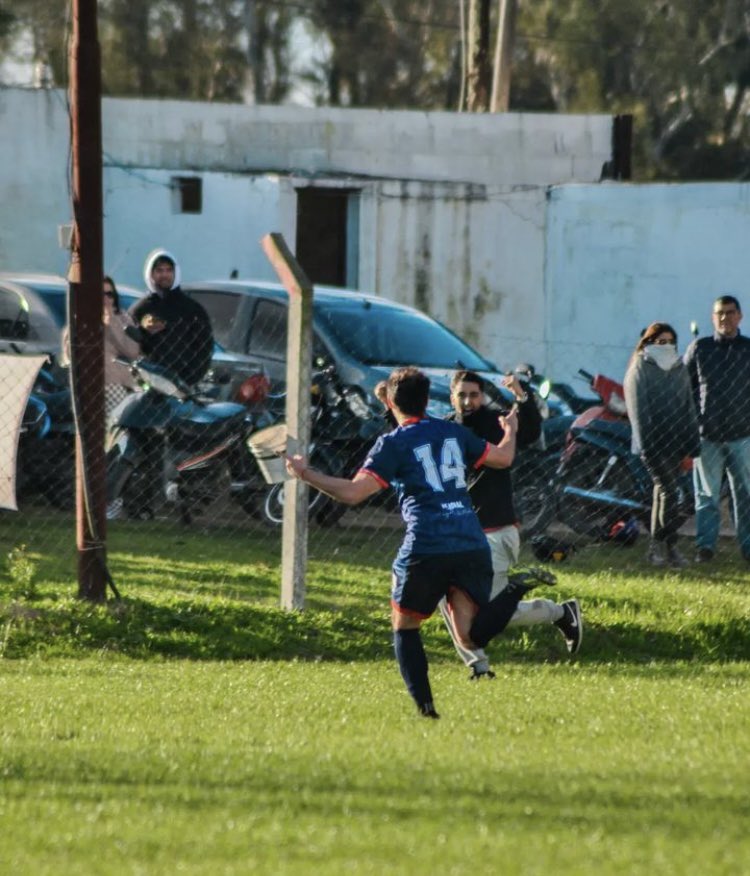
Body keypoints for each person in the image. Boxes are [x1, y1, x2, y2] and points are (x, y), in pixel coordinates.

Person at [285, 366, 555, 719]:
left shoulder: (393, 443)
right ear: (429, 400)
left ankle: (426, 709)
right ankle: (514, 590)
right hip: (471, 541)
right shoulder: (452, 432)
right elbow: (503, 458)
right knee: (471, 636)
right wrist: (511, 431)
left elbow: (352, 493)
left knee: (405, 626)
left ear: (392, 403)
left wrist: (304, 473)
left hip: (427, 545)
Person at [439, 370, 582, 679]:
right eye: (461, 395)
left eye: (474, 395)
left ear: (482, 396)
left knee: (489, 613)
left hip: (495, 531)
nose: (467, 401)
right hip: (458, 536)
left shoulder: (495, 423)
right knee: (446, 596)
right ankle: (479, 666)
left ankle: (558, 612)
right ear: (452, 397)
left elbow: (530, 431)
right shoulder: (445, 428)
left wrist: (521, 395)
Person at [623, 323, 700, 567]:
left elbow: (688, 406)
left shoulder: (678, 368)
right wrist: (648, 445)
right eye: (660, 341)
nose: (665, 346)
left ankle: (658, 548)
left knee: (663, 492)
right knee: (668, 491)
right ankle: (669, 546)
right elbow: (639, 412)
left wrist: (692, 443)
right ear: (648, 343)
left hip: (676, 441)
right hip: (653, 444)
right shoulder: (640, 368)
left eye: (669, 341)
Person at [684, 295, 750, 562]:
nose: (725, 318)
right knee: (707, 496)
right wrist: (694, 423)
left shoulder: (748, 349)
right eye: (719, 313)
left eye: (730, 312)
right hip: (707, 435)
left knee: (744, 496)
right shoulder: (700, 348)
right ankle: (705, 548)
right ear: (713, 318)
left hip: (743, 435)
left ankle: (748, 547)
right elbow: (685, 389)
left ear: (740, 316)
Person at [128, 249, 213, 387]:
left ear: (175, 273)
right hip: (148, 384)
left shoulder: (192, 309)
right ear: (151, 274)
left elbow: (205, 347)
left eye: (169, 270)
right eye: (159, 271)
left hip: (182, 385)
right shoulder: (140, 310)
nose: (164, 275)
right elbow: (130, 346)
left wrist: (188, 379)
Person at [102, 276, 141, 421]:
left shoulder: (123, 318)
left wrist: (111, 321)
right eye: (101, 295)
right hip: (96, 386)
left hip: (123, 385)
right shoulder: (83, 319)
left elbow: (132, 351)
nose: (106, 299)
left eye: (109, 294)